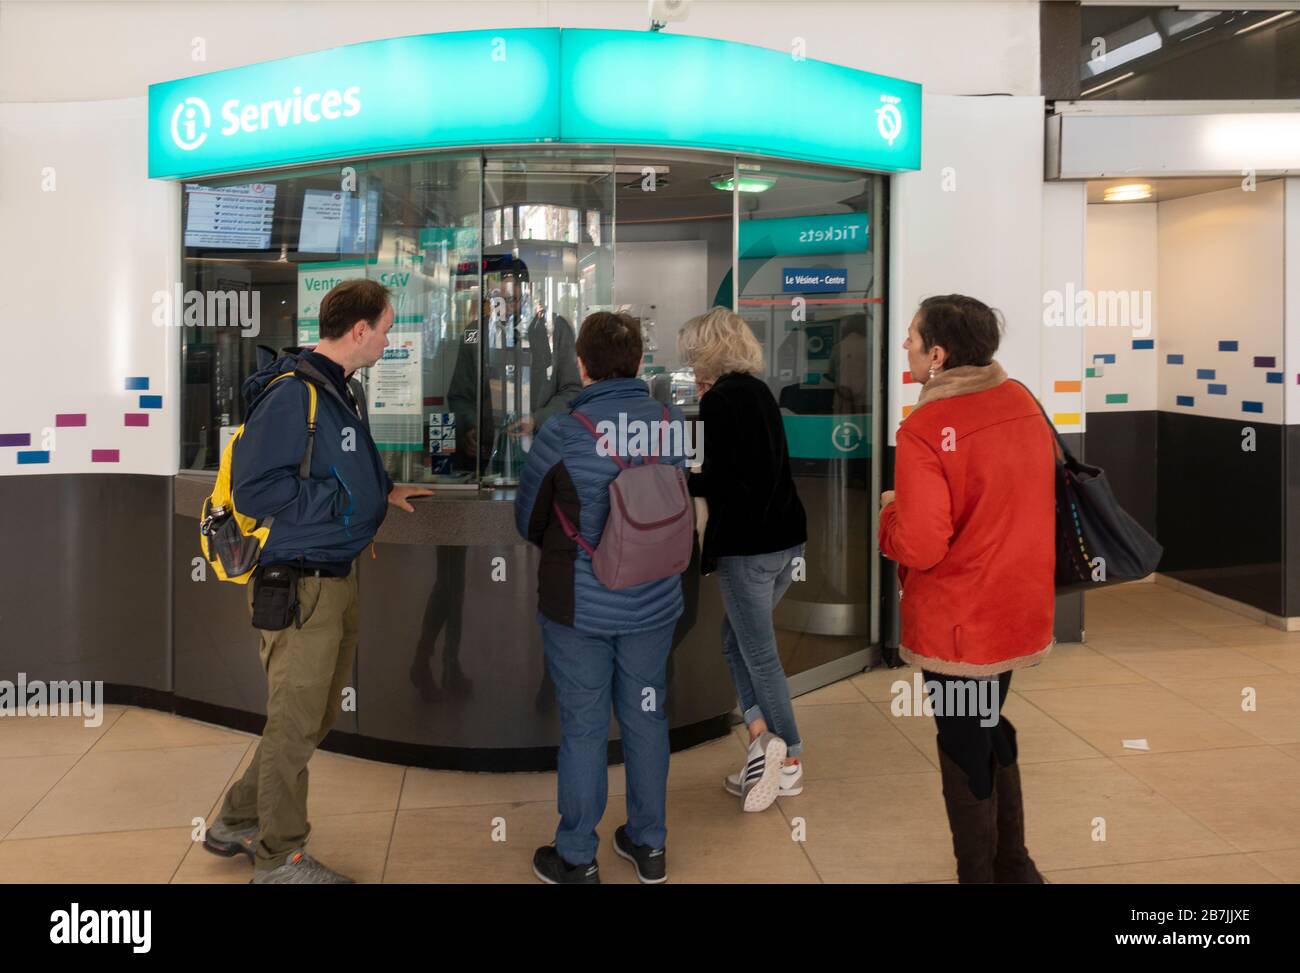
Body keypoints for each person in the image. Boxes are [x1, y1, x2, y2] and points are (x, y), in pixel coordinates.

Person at [203, 278, 431, 884]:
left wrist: (381, 492)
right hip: (300, 585)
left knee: (312, 714)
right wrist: (341, 501)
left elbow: (337, 463)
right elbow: (258, 488)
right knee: (296, 718)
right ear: (360, 330)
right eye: (384, 328)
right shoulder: (292, 394)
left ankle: (234, 821)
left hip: (334, 576)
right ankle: (280, 856)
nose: (387, 339)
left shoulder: (337, 392)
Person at [879, 294, 1052, 884]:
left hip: (959, 622)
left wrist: (887, 517)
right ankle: (1014, 864)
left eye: (912, 337)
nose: (905, 345)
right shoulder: (1022, 399)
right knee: (988, 722)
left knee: (962, 739)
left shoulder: (926, 427)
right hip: (1016, 605)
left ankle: (982, 874)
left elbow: (923, 544)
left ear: (939, 354)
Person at [514, 311, 688, 884]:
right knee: (646, 715)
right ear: (638, 361)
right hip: (655, 599)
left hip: (580, 605)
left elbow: (528, 519)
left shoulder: (563, 432)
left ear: (581, 366)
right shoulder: (668, 422)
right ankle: (649, 844)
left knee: (585, 726)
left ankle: (577, 856)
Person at [676, 308, 808, 813]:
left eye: (692, 355)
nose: (689, 366)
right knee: (736, 643)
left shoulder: (720, 402)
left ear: (707, 351)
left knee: (756, 652)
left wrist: (677, 478)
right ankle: (762, 740)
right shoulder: (759, 392)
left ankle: (788, 757)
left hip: (747, 550)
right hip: (785, 542)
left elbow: (720, 481)